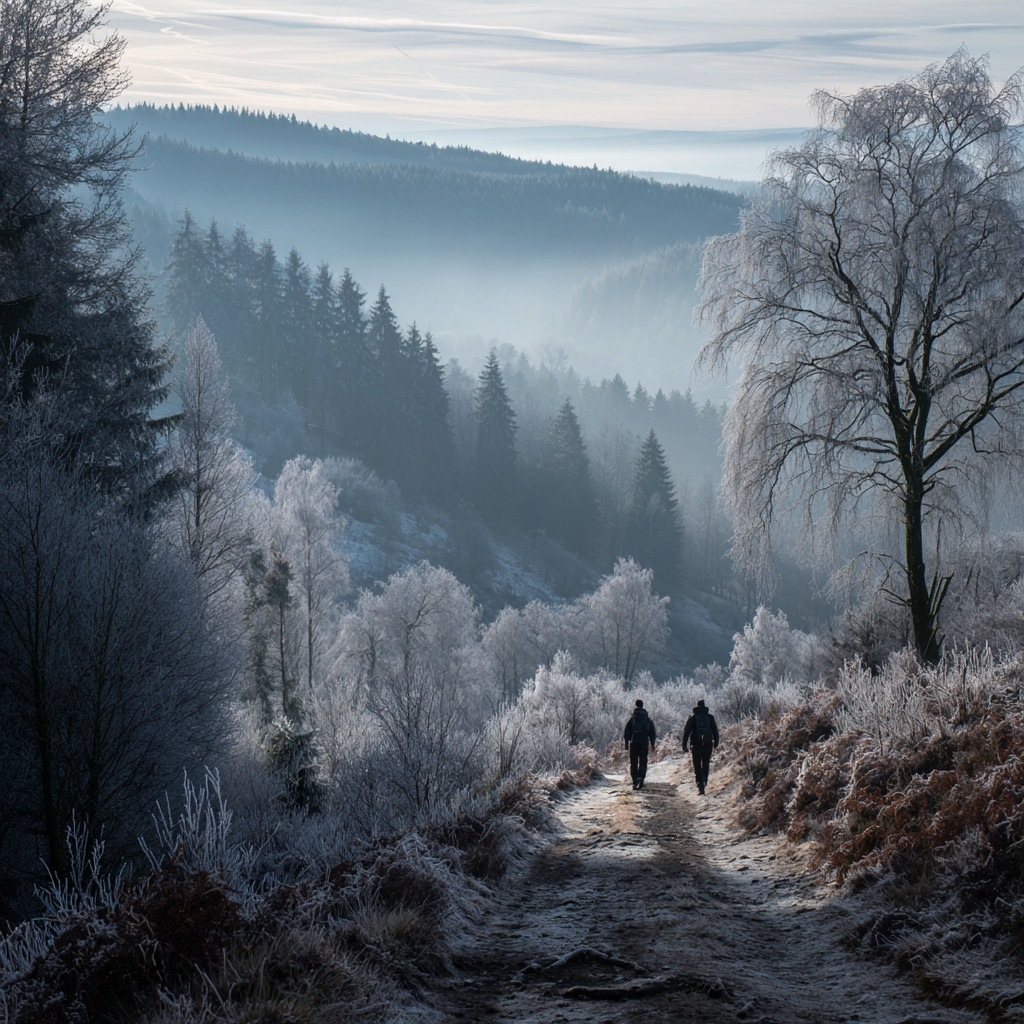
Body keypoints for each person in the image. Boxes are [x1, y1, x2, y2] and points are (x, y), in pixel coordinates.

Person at [681, 699, 719, 795]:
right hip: (707, 744)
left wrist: (684, 745)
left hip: (696, 745)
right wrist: (716, 743)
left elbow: (686, 732)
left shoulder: (692, 718)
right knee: (706, 764)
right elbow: (715, 731)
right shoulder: (710, 717)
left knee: (697, 766)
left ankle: (700, 786)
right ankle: (704, 780)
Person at [623, 698, 656, 790]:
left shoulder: (633, 717)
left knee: (633, 762)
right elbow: (652, 731)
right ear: (642, 705)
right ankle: (641, 778)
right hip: (644, 742)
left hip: (634, 742)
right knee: (643, 761)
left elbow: (626, 731)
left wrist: (626, 743)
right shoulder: (647, 718)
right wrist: (652, 744)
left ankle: (635, 780)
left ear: (635, 705)